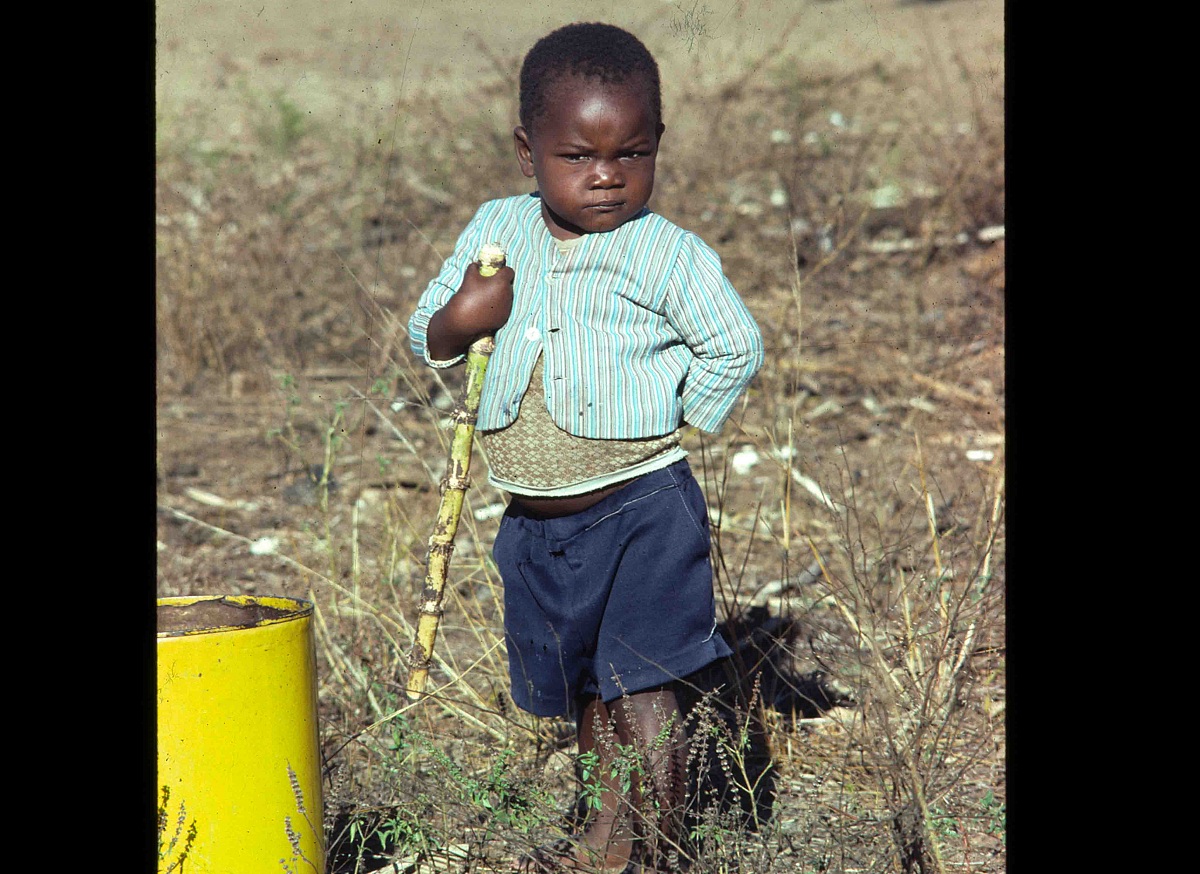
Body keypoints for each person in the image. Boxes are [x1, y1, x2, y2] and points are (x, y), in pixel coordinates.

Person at [408, 22, 764, 873]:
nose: (607, 175)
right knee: (584, 692)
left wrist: (668, 422)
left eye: (631, 154)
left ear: (656, 146)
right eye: (579, 157)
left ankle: (666, 849)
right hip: (533, 523)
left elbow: (734, 345)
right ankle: (607, 843)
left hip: (640, 505)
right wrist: (465, 315)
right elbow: (431, 331)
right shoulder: (497, 230)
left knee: (642, 682)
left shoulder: (665, 253)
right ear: (529, 152)